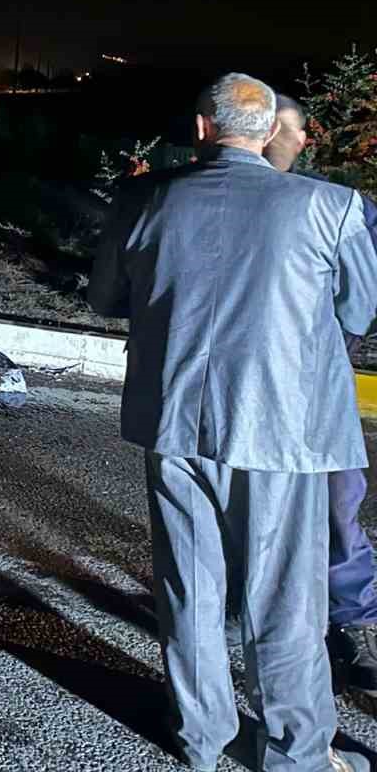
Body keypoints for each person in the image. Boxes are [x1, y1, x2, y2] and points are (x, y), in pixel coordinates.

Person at [90, 73, 377, 772]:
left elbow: (106, 299)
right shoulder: (331, 207)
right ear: (272, 130)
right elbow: (360, 313)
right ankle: (296, 753)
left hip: (176, 420)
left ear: (201, 129)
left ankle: (201, 736)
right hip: (287, 430)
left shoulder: (142, 200)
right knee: (283, 600)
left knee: (189, 583)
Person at [266, 93, 377, 696]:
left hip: (314, 391)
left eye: (280, 129)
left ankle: (352, 622)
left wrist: (325, 357)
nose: (267, 137)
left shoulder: (336, 207)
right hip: (250, 392)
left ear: (304, 140)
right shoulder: (226, 199)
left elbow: (360, 301)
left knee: (337, 504)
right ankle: (252, 611)